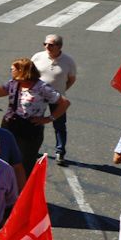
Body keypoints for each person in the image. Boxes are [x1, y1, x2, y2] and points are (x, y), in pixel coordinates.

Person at [0, 57, 67, 176]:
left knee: (25, 162)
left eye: (12, 69)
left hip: (30, 129)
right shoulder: (13, 84)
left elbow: (64, 103)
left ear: (21, 71)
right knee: (2, 156)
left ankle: (21, 188)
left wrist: (49, 119)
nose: (11, 71)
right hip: (10, 125)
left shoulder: (42, 87)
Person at [30, 33, 78, 165]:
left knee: (59, 125)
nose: (47, 46)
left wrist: (60, 91)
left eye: (51, 45)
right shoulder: (37, 57)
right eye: (45, 44)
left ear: (59, 46)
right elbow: (29, 74)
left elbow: (71, 79)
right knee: (35, 123)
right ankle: (33, 149)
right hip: (38, 97)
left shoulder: (68, 61)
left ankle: (60, 152)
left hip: (57, 97)